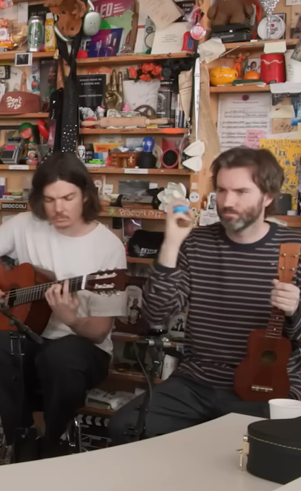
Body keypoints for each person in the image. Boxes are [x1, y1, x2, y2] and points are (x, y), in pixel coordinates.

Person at [109, 148, 301, 443]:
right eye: (222, 190)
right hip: (196, 382)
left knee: (250, 451)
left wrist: (295, 311)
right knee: (125, 426)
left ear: (268, 196)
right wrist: (171, 243)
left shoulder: (295, 248)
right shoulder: (197, 242)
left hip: (265, 387)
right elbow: (156, 315)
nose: (227, 201)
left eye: (241, 191)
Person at [0, 152, 127, 461]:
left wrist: (72, 319)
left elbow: (98, 333)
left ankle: (55, 441)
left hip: (83, 350)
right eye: (50, 199)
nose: (59, 208)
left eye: (68, 197)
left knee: (59, 357)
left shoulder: (108, 248)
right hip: (30, 336)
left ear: (85, 195)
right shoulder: (26, 224)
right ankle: (23, 435)